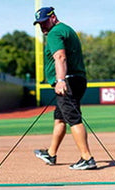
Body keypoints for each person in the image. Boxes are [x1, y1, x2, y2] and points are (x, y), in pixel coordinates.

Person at [33, 7, 97, 170]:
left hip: (67, 81)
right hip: (76, 79)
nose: (43, 27)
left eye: (44, 22)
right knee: (60, 118)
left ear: (53, 17)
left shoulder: (55, 32)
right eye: (40, 24)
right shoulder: (67, 29)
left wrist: (60, 80)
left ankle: (87, 158)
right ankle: (51, 153)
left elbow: (60, 57)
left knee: (73, 118)